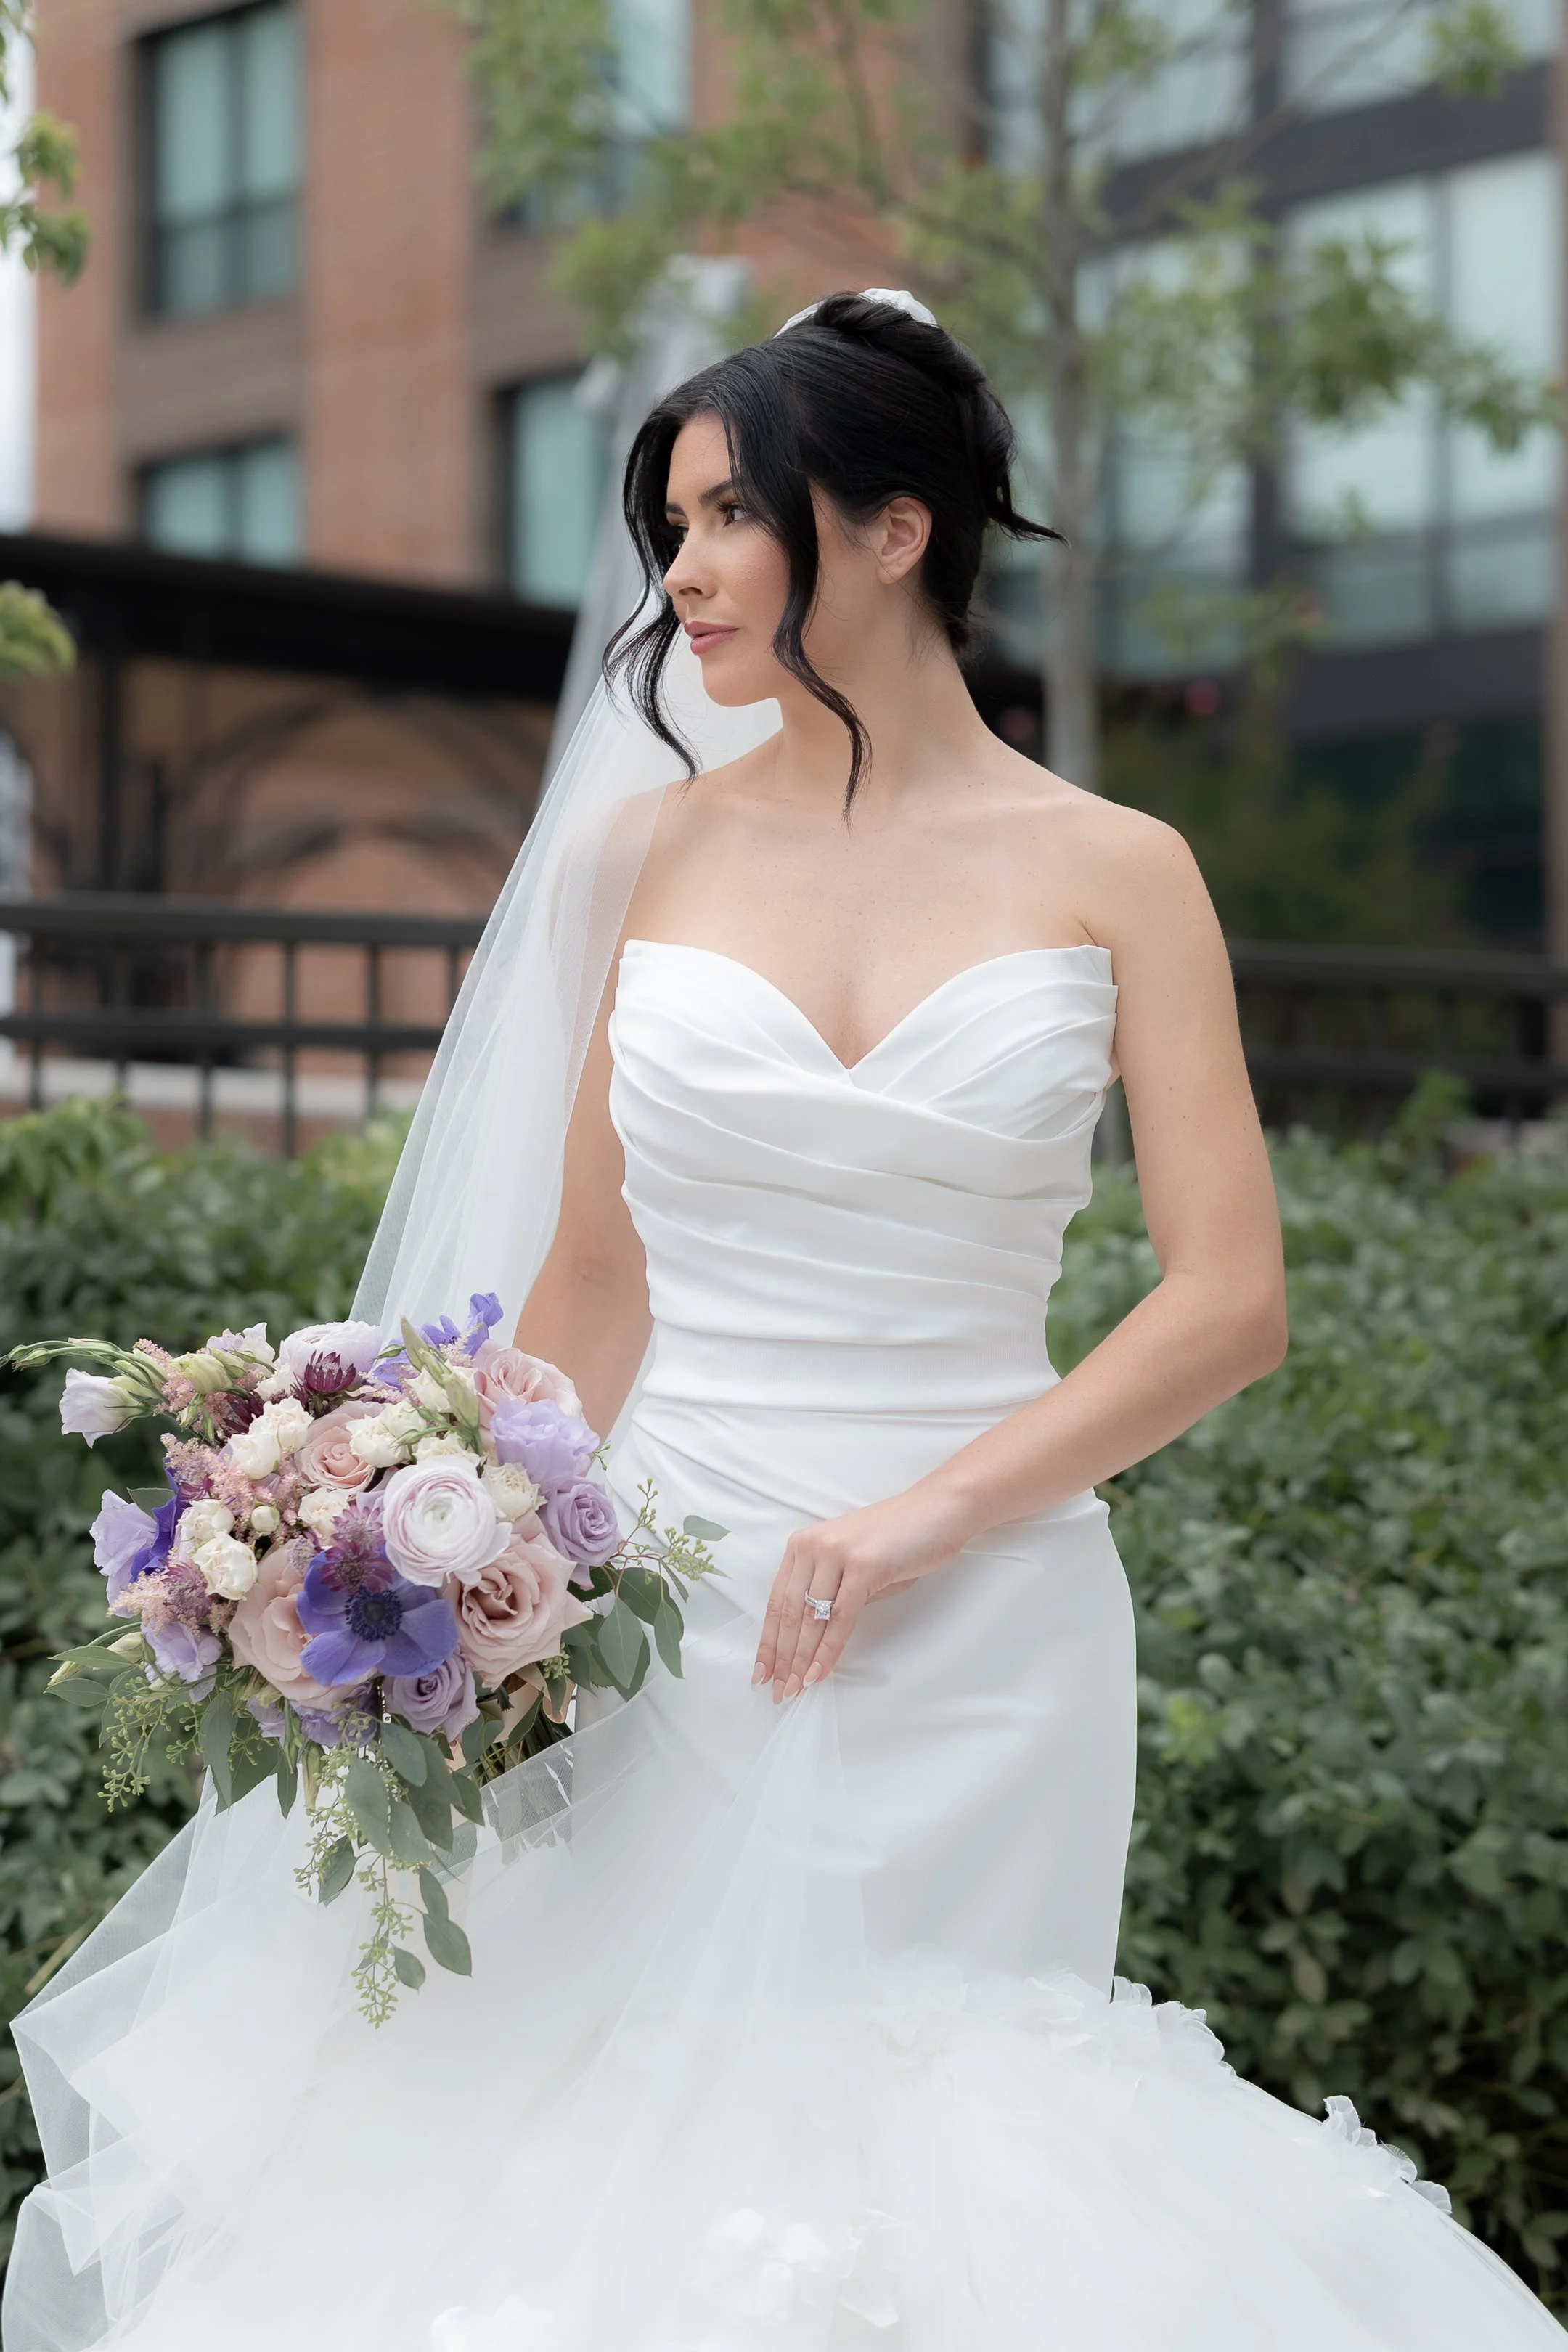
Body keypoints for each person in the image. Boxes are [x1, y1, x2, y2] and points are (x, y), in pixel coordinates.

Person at [5, 293, 1560, 2351]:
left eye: (735, 514)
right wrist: (429, 1536)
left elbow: (1231, 1298)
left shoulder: (1122, 870)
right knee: (632, 2142)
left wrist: (930, 1518)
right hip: (674, 1593)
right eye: (672, 525)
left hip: (990, 1622)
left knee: (964, 2141)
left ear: (897, 531)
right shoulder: (641, 858)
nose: (685, 570)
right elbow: (594, 1282)